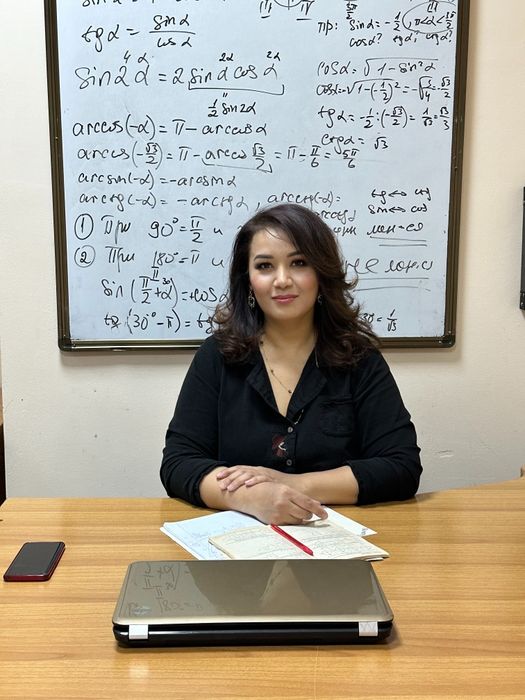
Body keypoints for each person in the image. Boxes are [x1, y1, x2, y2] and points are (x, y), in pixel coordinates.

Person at [161, 203, 421, 525]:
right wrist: (250, 498)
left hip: (335, 540)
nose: (282, 280)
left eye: (299, 263)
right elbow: (178, 464)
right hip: (239, 542)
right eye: (265, 266)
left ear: (321, 273)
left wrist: (293, 484)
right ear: (249, 280)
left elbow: (401, 467)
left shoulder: (359, 358)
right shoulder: (217, 356)